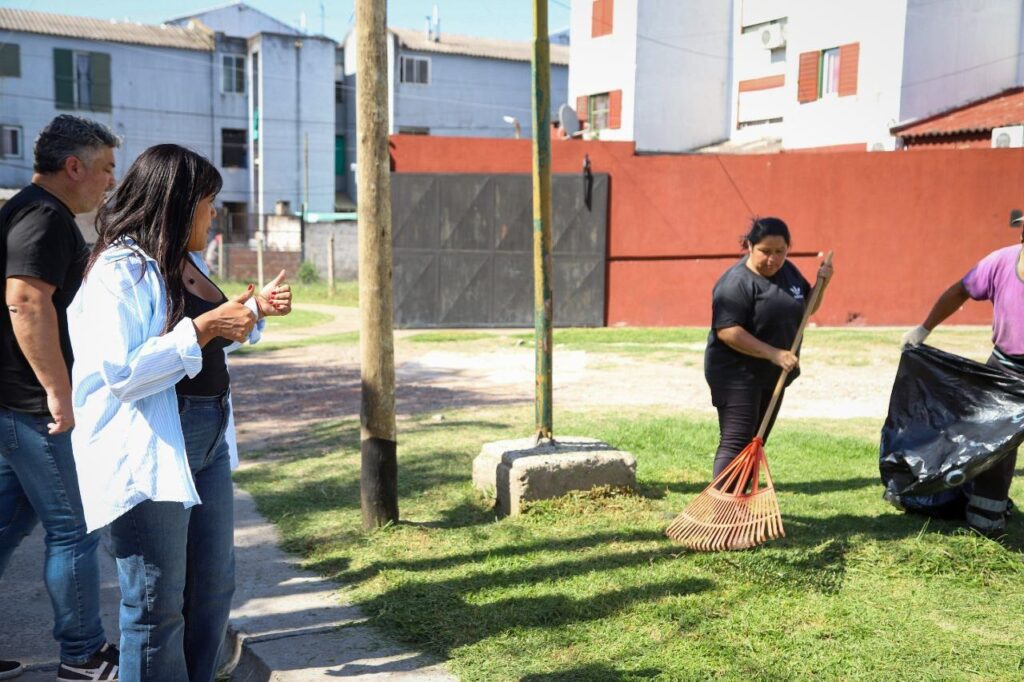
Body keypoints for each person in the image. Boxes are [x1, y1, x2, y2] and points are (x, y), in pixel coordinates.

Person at [68, 144, 292, 681]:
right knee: (155, 603)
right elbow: (123, 374)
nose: (213, 214)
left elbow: (207, 340)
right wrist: (204, 327)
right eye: (208, 203)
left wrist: (249, 312)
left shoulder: (187, 261)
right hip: (151, 446)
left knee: (214, 584)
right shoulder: (117, 272)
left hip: (208, 436)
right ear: (177, 204)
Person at [0, 115, 120, 680]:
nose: (111, 183)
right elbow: (24, 301)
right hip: (32, 407)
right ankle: (83, 656)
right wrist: (57, 391)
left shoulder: (30, 210)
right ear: (74, 167)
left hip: (14, 405)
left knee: (9, 524)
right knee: (75, 527)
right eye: (106, 169)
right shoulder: (43, 217)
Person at [900, 221, 1024, 537]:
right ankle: (986, 518)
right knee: (991, 447)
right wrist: (924, 329)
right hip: (1004, 370)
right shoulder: (1000, 261)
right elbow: (959, 291)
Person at [703, 217, 833, 479]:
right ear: (750, 246)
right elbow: (728, 331)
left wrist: (823, 284)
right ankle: (722, 506)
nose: (773, 259)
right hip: (736, 374)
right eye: (765, 251)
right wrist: (774, 353)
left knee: (756, 441)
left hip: (771, 373)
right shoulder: (736, 282)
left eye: (779, 252)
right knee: (736, 441)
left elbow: (806, 309)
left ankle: (739, 504)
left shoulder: (790, 272)